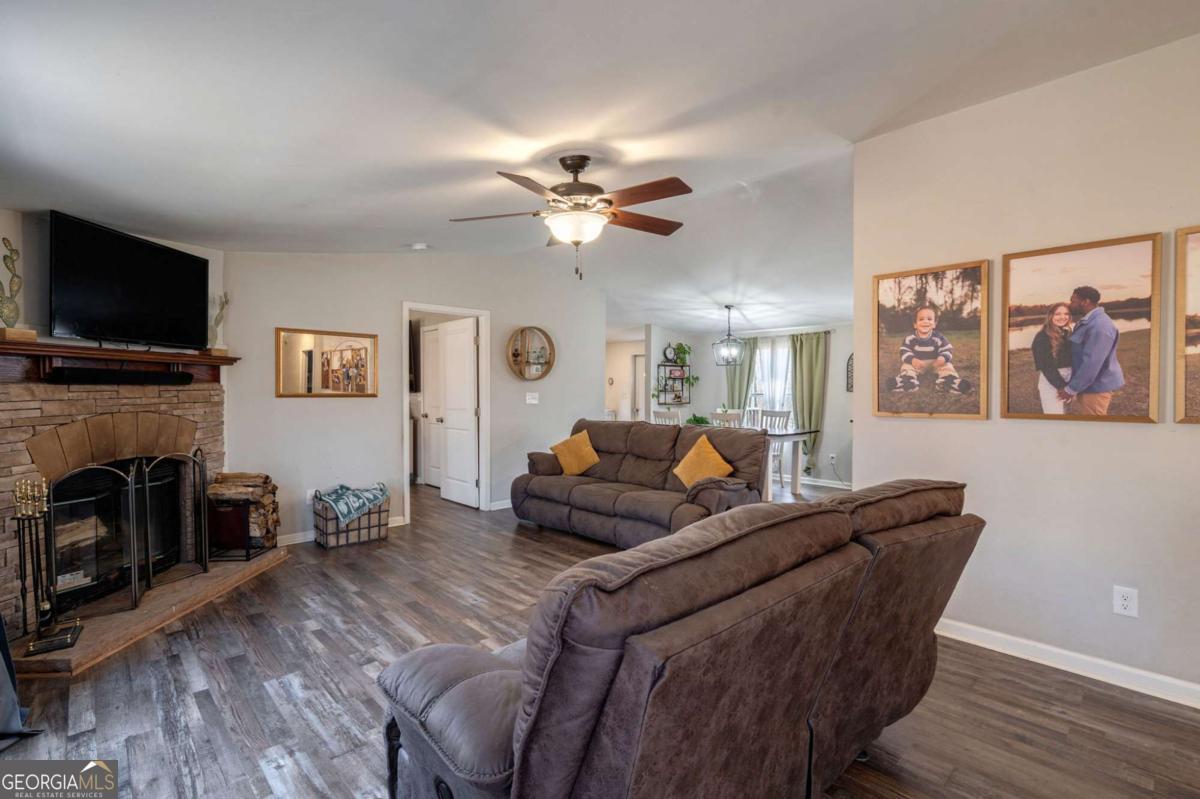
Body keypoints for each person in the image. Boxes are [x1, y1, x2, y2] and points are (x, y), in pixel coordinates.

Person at [1057, 285, 1124, 415]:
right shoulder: (1089, 321)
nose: (1070, 304)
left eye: (1073, 301)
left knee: (1095, 429)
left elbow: (1092, 363)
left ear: (1085, 301)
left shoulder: (1099, 326)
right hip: (1089, 386)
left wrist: (1071, 389)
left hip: (1096, 387)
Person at [891, 306, 973, 394]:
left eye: (929, 319)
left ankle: (948, 380)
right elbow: (904, 350)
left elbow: (947, 349)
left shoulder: (939, 338)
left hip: (936, 363)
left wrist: (942, 358)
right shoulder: (910, 338)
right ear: (915, 324)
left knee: (947, 365)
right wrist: (912, 360)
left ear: (934, 324)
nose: (925, 321)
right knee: (907, 366)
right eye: (921, 319)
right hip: (918, 364)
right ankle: (907, 380)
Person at [1031, 303, 1073, 414]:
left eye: (1066, 314)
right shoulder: (1042, 337)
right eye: (1058, 314)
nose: (1062, 317)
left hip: (1069, 381)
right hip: (1052, 382)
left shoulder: (1067, 333)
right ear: (1050, 316)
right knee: (1054, 415)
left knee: (1066, 414)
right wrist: (1062, 387)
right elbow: (1046, 366)